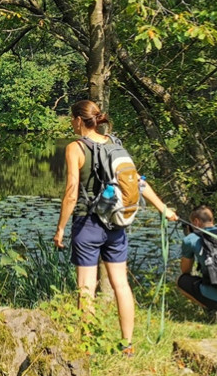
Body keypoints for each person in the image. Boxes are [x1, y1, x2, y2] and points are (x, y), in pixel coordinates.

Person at [53, 100, 177, 355]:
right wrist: (162, 208)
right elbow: (137, 182)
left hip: (88, 222)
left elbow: (71, 193)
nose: (70, 123)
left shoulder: (75, 148)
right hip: (117, 222)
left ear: (78, 120)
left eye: (71, 119)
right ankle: (127, 345)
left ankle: (86, 347)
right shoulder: (114, 143)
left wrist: (61, 228)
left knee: (86, 286)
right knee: (120, 283)